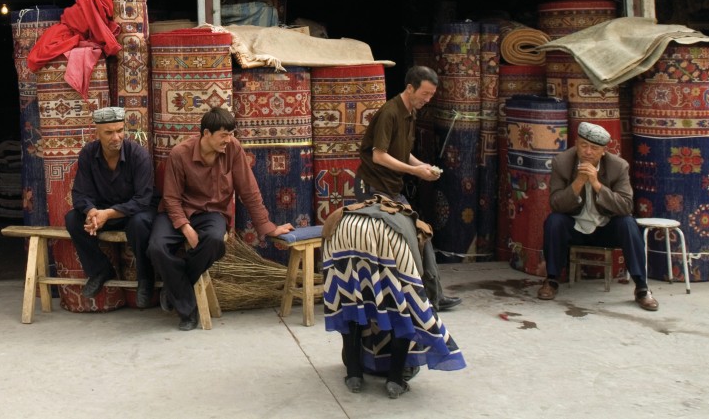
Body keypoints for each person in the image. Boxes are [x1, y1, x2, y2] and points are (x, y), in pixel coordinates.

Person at [149, 106, 294, 331]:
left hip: (211, 213)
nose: (228, 139)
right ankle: (187, 309)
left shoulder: (233, 149)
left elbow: (249, 190)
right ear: (206, 134)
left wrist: (267, 227)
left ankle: (177, 287)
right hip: (178, 211)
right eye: (223, 135)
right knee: (157, 247)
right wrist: (185, 228)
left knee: (216, 241)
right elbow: (171, 198)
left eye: (231, 134)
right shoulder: (180, 153)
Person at [323, 196, 466, 399]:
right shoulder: (418, 231)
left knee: (351, 299)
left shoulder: (360, 210)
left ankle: (354, 374)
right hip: (387, 236)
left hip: (344, 228)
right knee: (404, 307)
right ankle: (395, 379)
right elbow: (418, 290)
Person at [354, 65, 461, 312]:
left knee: (423, 231)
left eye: (431, 95)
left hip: (392, 188)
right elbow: (379, 156)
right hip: (372, 188)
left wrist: (422, 165)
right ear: (410, 88)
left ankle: (435, 296)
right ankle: (414, 299)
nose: (428, 99)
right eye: (425, 94)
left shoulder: (411, 112)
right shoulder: (389, 112)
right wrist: (414, 171)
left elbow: (402, 151)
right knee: (409, 236)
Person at [538, 122, 659, 311]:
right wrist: (578, 183)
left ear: (603, 151)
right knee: (554, 221)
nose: (587, 152)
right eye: (583, 145)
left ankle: (642, 288)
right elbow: (555, 204)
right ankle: (551, 280)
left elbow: (626, 206)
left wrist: (597, 185)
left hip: (606, 227)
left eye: (594, 148)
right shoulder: (562, 162)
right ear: (576, 143)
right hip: (576, 227)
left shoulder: (618, 167)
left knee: (628, 223)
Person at [64, 106, 157, 308]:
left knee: (140, 223)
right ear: (96, 133)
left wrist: (108, 214)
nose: (116, 137)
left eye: (120, 130)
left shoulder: (138, 155)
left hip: (134, 212)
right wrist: (91, 212)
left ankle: (145, 279)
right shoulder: (88, 154)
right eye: (109, 132)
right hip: (103, 211)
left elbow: (143, 199)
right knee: (72, 219)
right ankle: (100, 270)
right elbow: (80, 194)